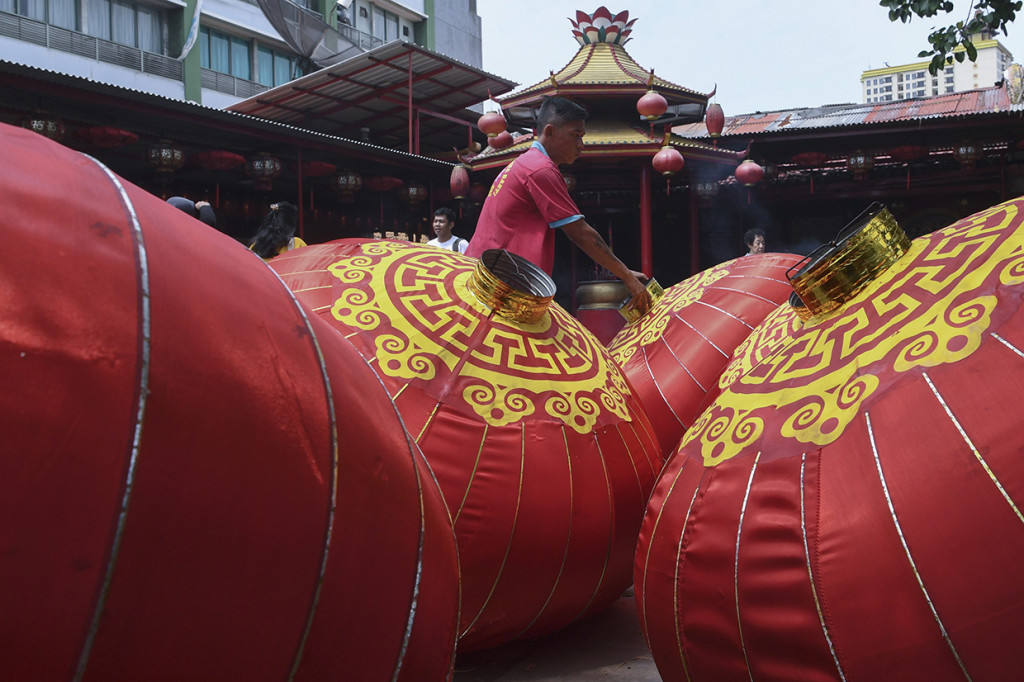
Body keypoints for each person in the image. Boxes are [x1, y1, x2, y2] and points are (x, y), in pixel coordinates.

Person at [466, 96, 652, 317]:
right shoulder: (540, 169)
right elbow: (581, 234)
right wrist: (627, 277)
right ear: (550, 131)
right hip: (501, 287)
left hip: (486, 276)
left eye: (582, 137)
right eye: (575, 136)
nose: (581, 145)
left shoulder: (523, 163)